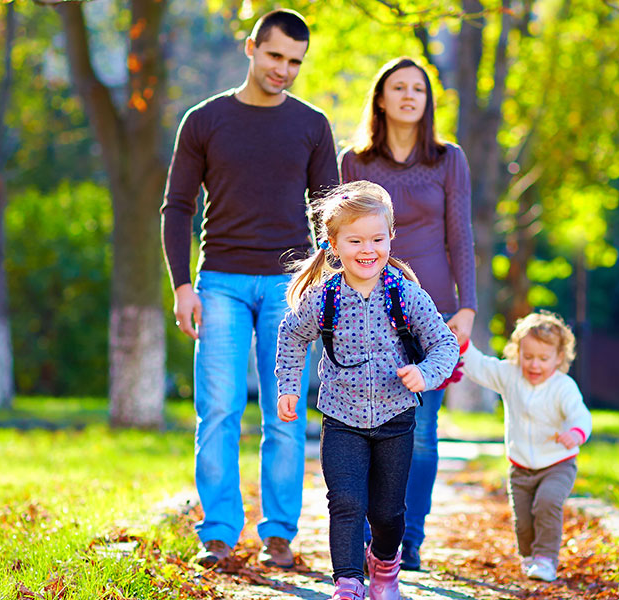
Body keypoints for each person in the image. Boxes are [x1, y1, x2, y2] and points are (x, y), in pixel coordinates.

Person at [160, 8, 338, 569]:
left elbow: (328, 216)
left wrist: (323, 289)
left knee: (285, 414)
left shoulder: (312, 125)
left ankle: (279, 533)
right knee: (218, 409)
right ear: (251, 48)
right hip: (220, 284)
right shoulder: (205, 120)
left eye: (295, 62)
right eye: (275, 56)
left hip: (290, 290)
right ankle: (217, 533)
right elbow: (178, 207)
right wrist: (183, 286)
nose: (284, 69)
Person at [274, 181, 460, 600]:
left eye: (377, 238)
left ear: (391, 237)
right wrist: (289, 386)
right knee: (344, 501)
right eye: (355, 240)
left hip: (396, 419)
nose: (367, 249)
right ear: (334, 245)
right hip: (341, 418)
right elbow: (291, 336)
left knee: (388, 513)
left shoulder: (404, 294)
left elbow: (444, 344)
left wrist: (426, 374)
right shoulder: (324, 297)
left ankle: (385, 568)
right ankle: (348, 582)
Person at [339, 56, 477, 571]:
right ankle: (376, 536)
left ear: (427, 100)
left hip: (435, 309)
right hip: (366, 307)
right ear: (380, 97)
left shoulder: (448, 158)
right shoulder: (354, 161)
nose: (408, 95)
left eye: (418, 88)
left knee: (422, 429)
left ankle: (407, 538)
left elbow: (460, 233)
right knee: (368, 423)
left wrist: (467, 307)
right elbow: (338, 233)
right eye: (398, 87)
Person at [459, 311, 592, 583]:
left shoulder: (563, 387)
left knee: (547, 502)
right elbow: (480, 367)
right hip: (520, 467)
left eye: (544, 359)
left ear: (559, 358)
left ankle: (545, 559)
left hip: (557, 464)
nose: (534, 365)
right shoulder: (510, 375)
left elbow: (580, 415)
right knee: (523, 520)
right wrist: (462, 344)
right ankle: (529, 556)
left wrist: (575, 433)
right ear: (517, 352)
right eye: (528, 356)